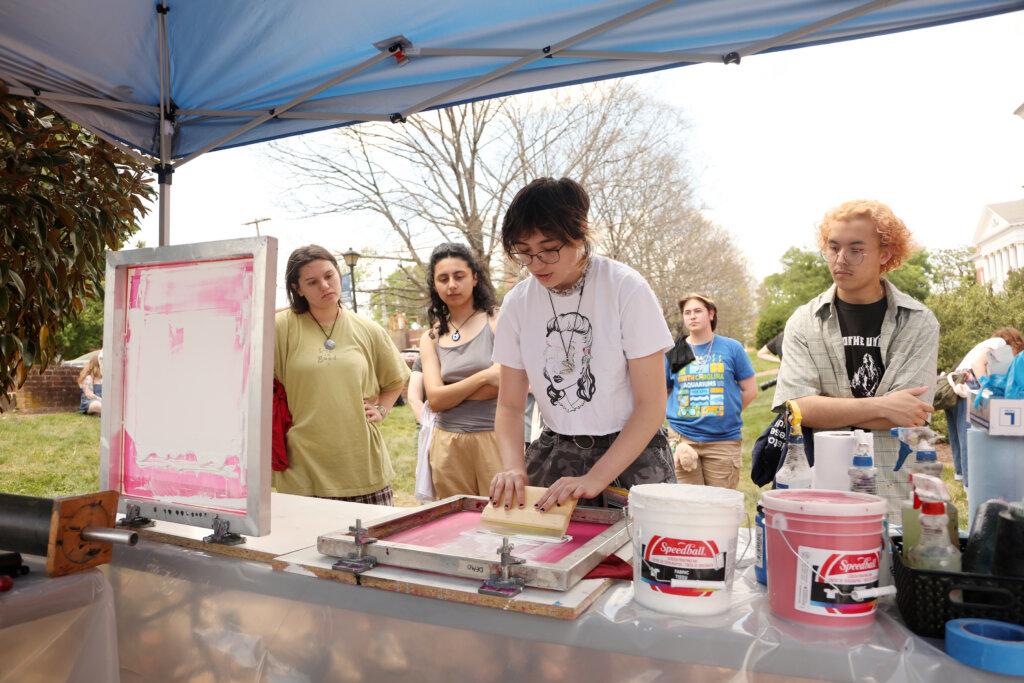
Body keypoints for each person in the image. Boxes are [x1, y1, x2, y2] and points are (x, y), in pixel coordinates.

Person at [489, 177, 677, 513]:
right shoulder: (517, 303)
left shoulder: (625, 288)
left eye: (549, 249)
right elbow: (510, 407)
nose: (536, 265)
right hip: (555, 453)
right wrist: (514, 466)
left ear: (581, 231)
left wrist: (596, 477)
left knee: (639, 560)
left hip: (632, 453)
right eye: (524, 252)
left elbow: (651, 405)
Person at [772, 200, 939, 520]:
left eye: (855, 250)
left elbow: (910, 414)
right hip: (818, 493)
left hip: (892, 494)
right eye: (833, 248)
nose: (840, 260)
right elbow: (798, 408)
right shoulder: (804, 321)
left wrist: (829, 409)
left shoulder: (918, 322)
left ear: (885, 253)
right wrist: (882, 407)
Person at [274, 245, 410, 504]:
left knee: (370, 544)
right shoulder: (280, 329)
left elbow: (397, 378)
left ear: (339, 274)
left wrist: (381, 409)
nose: (325, 286)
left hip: (362, 467)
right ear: (297, 289)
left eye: (329, 276)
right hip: (303, 470)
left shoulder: (368, 329)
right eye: (312, 282)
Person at [419, 242, 503, 498]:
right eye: (443, 279)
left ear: (475, 278)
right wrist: (483, 376)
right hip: (446, 444)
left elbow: (502, 381)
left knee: (502, 520)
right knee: (454, 525)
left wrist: (450, 393)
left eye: (459, 276)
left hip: (495, 438)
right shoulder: (430, 337)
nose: (451, 285)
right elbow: (434, 399)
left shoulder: (497, 320)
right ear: (435, 285)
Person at [665, 293, 757, 489]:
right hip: (682, 440)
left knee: (720, 508)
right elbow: (663, 393)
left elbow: (750, 390)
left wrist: (725, 415)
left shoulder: (732, 348)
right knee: (687, 505)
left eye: (698, 311)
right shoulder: (674, 351)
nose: (692, 316)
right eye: (687, 312)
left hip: (722, 441)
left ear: (711, 314)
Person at [945, 326, 1024, 486]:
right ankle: (970, 485)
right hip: (970, 385)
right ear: (1014, 342)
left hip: (957, 387)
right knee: (970, 437)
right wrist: (985, 388)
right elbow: (977, 363)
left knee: (959, 436)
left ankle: (962, 477)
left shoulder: (985, 346)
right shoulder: (1000, 342)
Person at [78, 351, 102, 415]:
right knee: (96, 405)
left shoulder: (104, 379)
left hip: (104, 402)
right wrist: (103, 401)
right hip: (90, 402)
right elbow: (89, 395)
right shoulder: (88, 378)